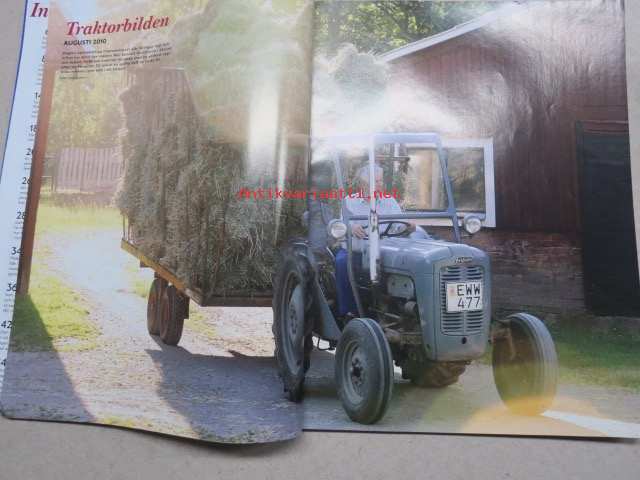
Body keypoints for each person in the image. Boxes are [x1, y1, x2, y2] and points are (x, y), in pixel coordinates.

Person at [335, 164, 416, 317]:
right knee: (342, 263)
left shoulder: (389, 201)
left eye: (381, 181)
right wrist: (352, 227)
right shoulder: (349, 201)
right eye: (376, 182)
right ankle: (349, 312)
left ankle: (396, 310)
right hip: (356, 252)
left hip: (384, 252)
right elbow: (342, 225)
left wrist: (409, 227)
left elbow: (399, 225)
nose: (380, 184)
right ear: (364, 184)